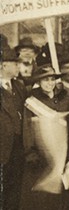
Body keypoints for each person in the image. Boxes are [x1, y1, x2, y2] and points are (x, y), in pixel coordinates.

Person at [21, 66, 69, 209]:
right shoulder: (32, 101)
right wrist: (31, 153)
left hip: (62, 153)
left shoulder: (65, 98)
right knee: (43, 197)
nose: (49, 83)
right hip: (41, 154)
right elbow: (27, 130)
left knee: (62, 195)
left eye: (52, 79)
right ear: (39, 82)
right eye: (45, 80)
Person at [1, 48, 27, 210]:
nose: (18, 67)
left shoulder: (19, 86)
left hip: (18, 145)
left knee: (15, 188)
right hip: (2, 144)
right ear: (3, 65)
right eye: (15, 64)